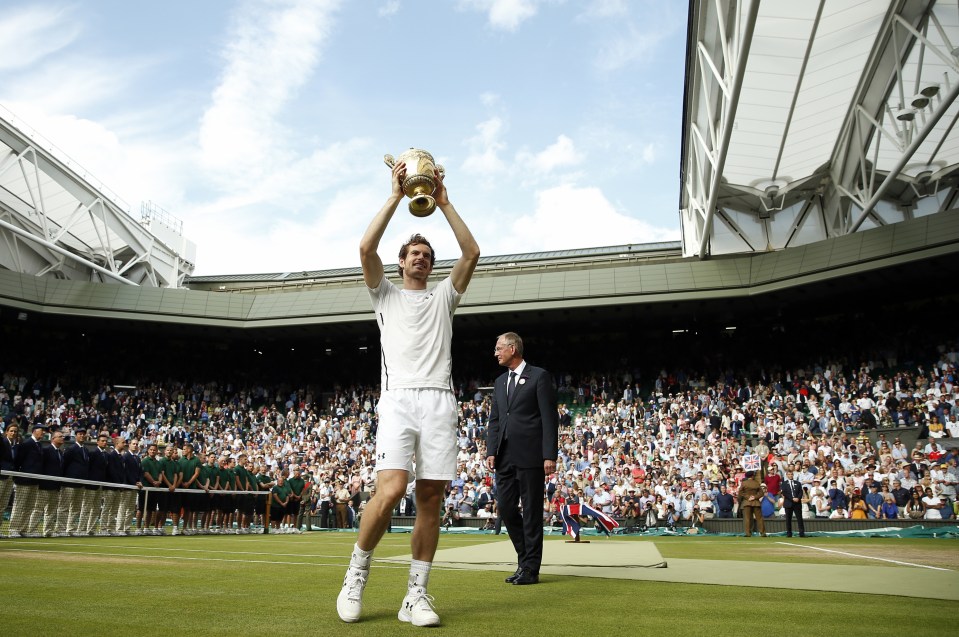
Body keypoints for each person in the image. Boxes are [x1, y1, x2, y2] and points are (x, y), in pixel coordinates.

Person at [337, 158, 480, 628]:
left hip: (439, 397)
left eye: (425, 255)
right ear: (401, 263)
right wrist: (398, 195)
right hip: (398, 397)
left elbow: (472, 252)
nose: (419, 258)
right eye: (412, 254)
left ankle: (415, 594)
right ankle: (356, 572)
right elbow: (364, 246)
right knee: (392, 488)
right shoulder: (385, 295)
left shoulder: (444, 296)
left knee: (430, 498)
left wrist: (442, 203)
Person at [485, 332, 559, 586]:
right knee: (505, 509)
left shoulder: (539, 376)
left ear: (513, 348)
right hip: (504, 457)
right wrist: (490, 450)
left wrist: (549, 454)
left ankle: (530, 569)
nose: (495, 353)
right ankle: (523, 560)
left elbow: (550, 418)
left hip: (531, 456)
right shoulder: (499, 382)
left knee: (531, 513)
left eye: (498, 348)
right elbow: (496, 419)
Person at [738, 471, 765, 537]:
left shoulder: (744, 483)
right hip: (756, 502)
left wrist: (748, 497)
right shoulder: (756, 483)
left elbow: (740, 492)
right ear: (752, 476)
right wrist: (754, 497)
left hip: (747, 502)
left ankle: (748, 533)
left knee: (747, 518)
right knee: (759, 518)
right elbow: (761, 493)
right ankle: (762, 533)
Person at [781, 469, 805, 538]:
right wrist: (792, 498)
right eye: (789, 474)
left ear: (793, 475)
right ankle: (789, 533)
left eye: (791, 474)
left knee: (799, 518)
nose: (790, 475)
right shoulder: (784, 484)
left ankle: (801, 533)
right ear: (787, 475)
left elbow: (800, 492)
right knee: (788, 519)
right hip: (788, 503)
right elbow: (784, 493)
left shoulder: (798, 483)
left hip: (797, 503)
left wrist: (798, 498)